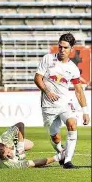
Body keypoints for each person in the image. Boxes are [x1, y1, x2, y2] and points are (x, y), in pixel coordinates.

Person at [34, 33, 90, 169]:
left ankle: (67, 161)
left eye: (65, 48)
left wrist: (85, 111)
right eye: (60, 47)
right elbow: (37, 78)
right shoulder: (47, 59)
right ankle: (61, 152)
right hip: (48, 106)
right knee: (56, 138)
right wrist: (47, 91)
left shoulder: (73, 69)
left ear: (71, 49)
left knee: (72, 123)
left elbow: (78, 90)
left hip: (65, 104)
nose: (62, 50)